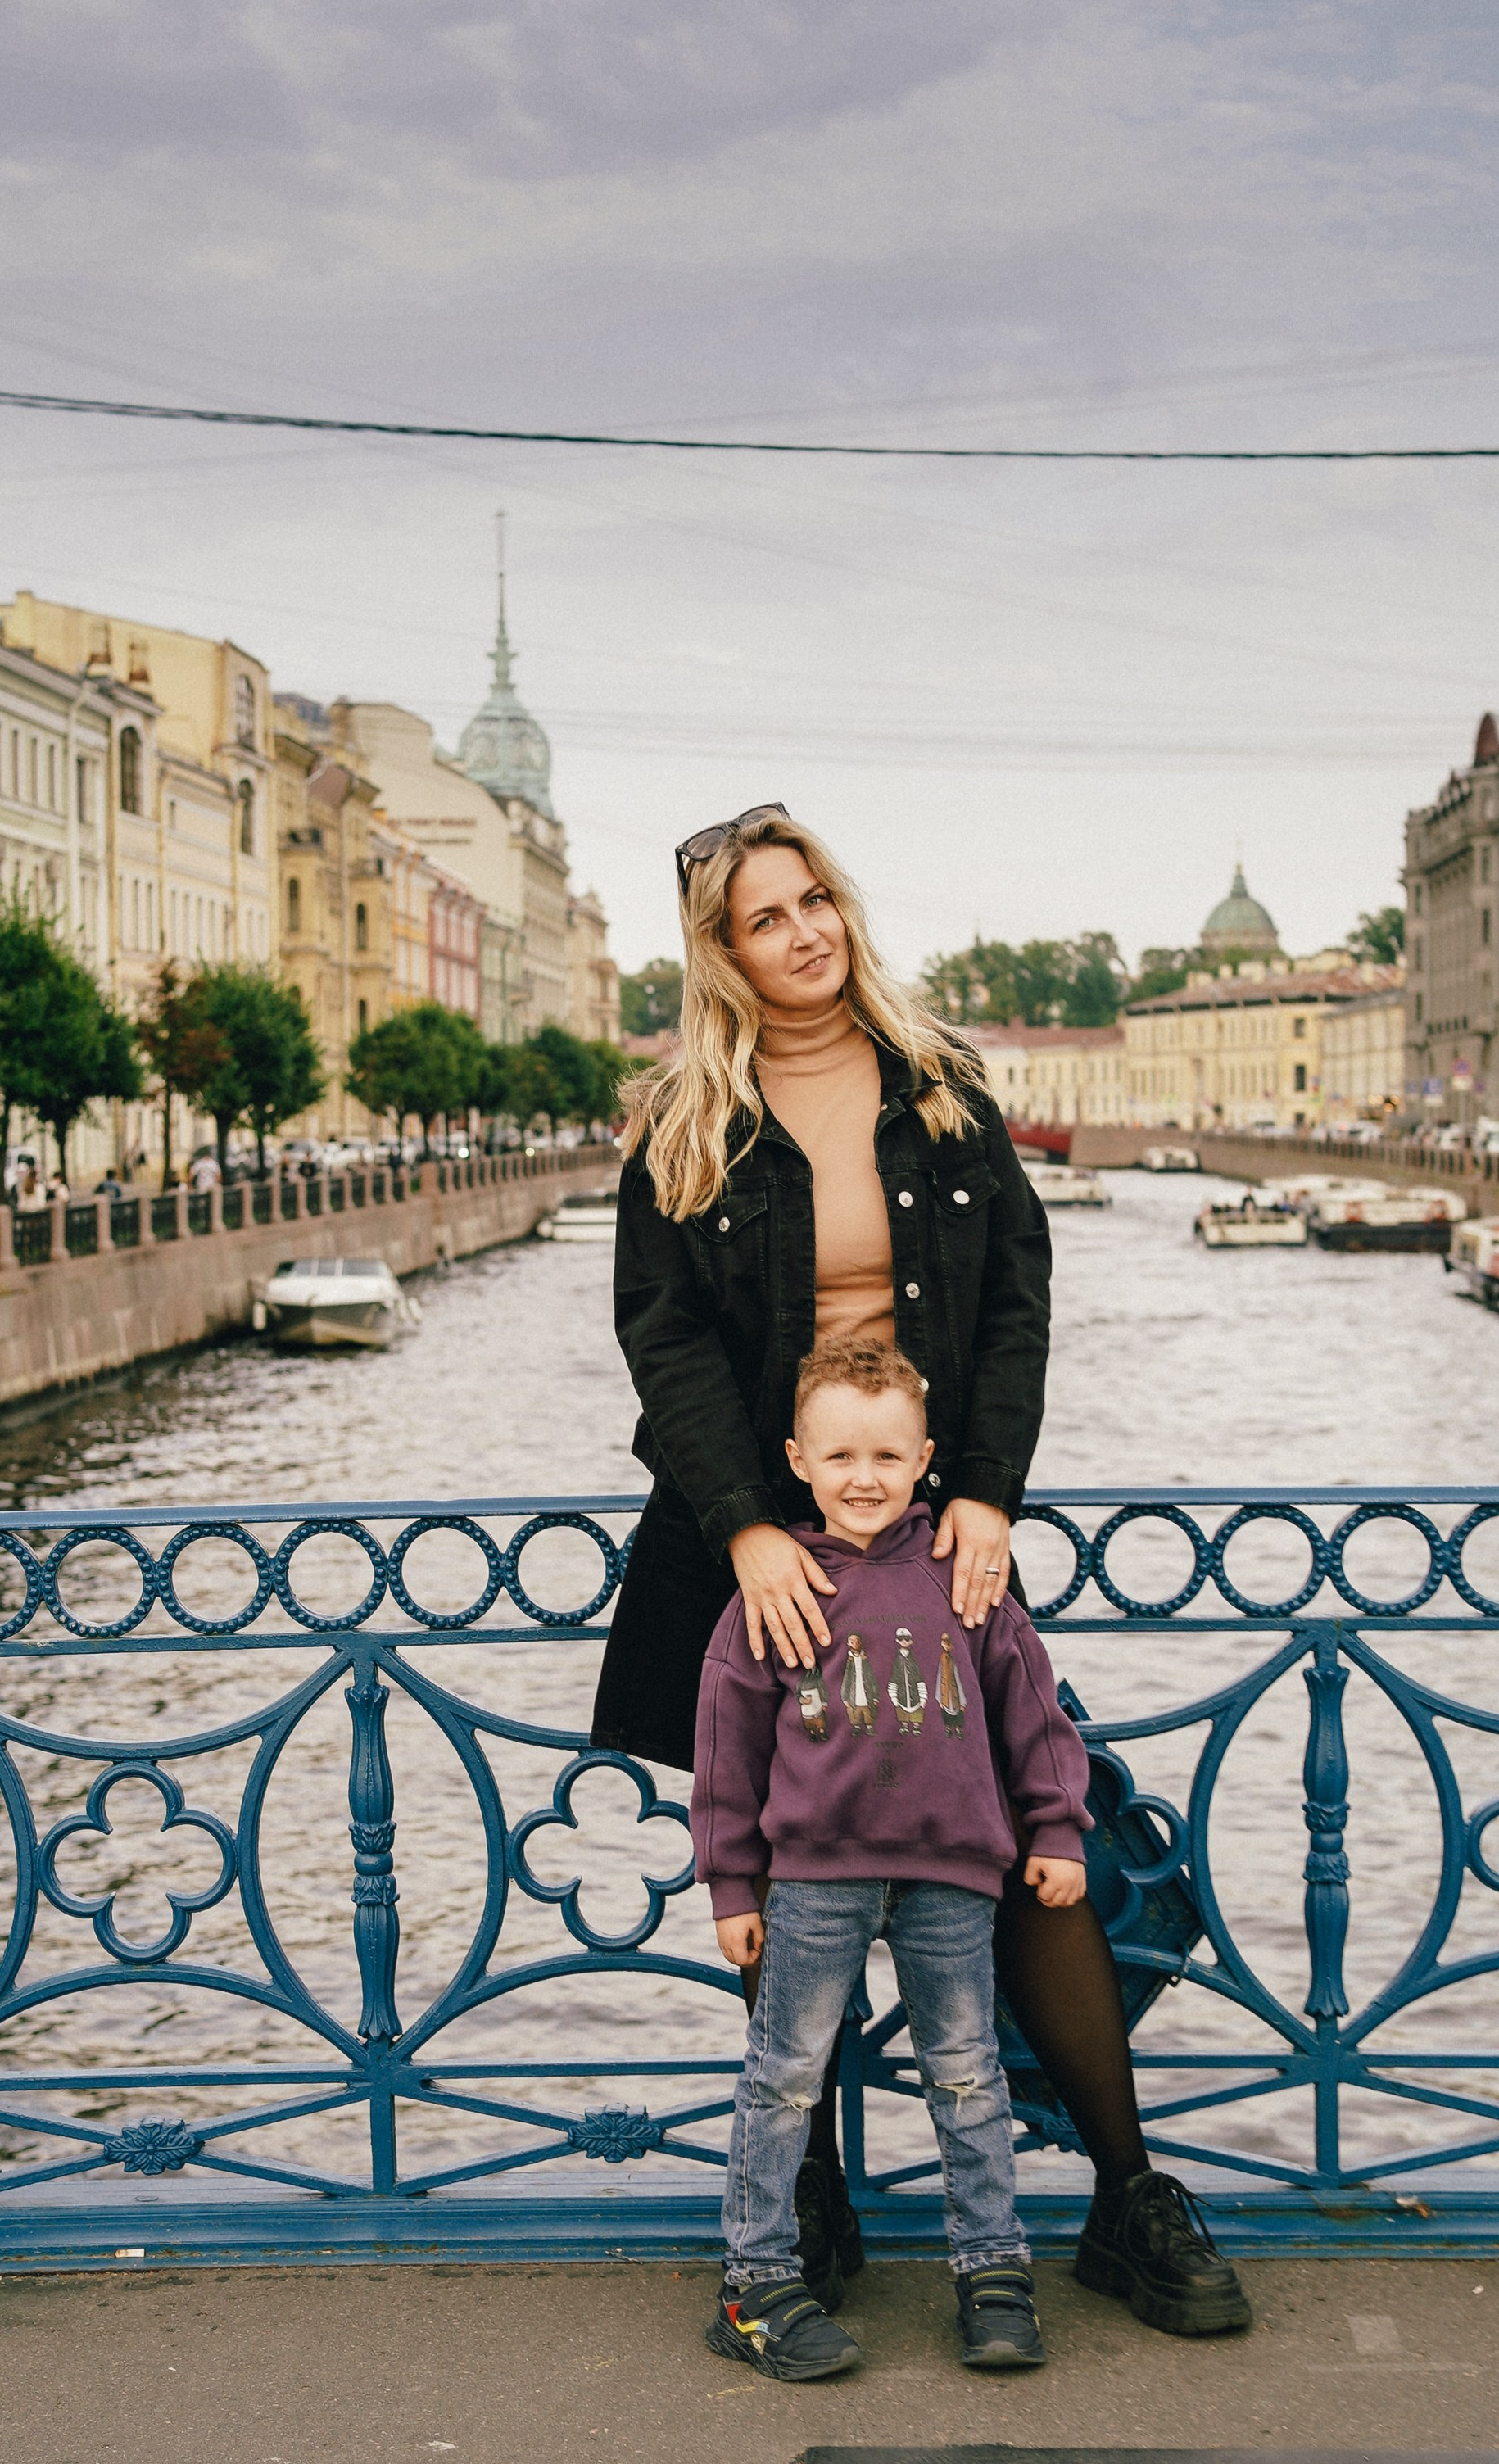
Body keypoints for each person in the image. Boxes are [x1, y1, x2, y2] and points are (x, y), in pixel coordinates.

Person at [594, 801, 1250, 2336]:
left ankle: (1124, 2195)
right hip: (755, 1538)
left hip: (932, 1524)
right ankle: (806, 2196)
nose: (805, 930)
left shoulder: (938, 1081)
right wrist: (752, 1524)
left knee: (1037, 1838)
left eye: (815, 896)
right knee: (783, 1848)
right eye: (766, 915)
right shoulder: (687, 1118)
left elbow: (1016, 1298)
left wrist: (997, 1496)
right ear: (722, 951)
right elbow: (665, 1333)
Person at [695, 1336, 1091, 2380]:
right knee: (783, 2075)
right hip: (814, 1877)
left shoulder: (966, 1579)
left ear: (926, 1460)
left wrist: (1054, 1828)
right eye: (838, 1457)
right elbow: (726, 1751)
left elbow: (1032, 1712)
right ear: (796, 1459)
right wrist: (732, 1882)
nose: (862, 1478)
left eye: (885, 1455)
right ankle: (754, 2277)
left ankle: (993, 2269)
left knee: (966, 2075)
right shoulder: (775, 1588)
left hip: (952, 1871)